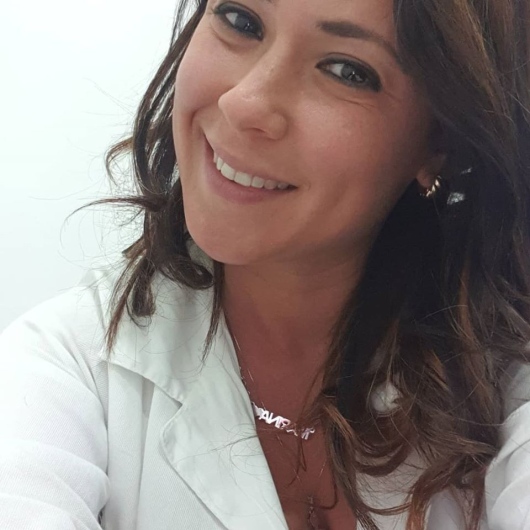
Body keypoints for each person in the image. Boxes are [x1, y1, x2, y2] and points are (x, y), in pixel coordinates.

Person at [1, 0, 530, 528]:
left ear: (439, 142)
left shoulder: (506, 380)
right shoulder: (58, 372)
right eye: (241, 21)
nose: (244, 103)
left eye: (346, 70)